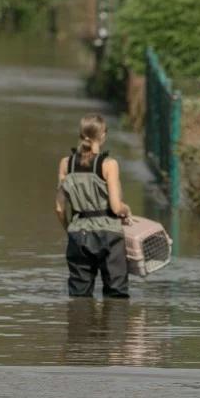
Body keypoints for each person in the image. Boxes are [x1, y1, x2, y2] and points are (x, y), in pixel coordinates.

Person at [55, 114, 132, 298]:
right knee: (116, 294)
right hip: (108, 235)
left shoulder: (66, 164)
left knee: (79, 296)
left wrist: (70, 229)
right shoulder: (109, 164)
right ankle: (111, 324)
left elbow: (59, 208)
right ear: (103, 135)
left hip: (78, 233)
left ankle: (81, 324)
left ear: (81, 135)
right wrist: (126, 209)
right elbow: (115, 207)